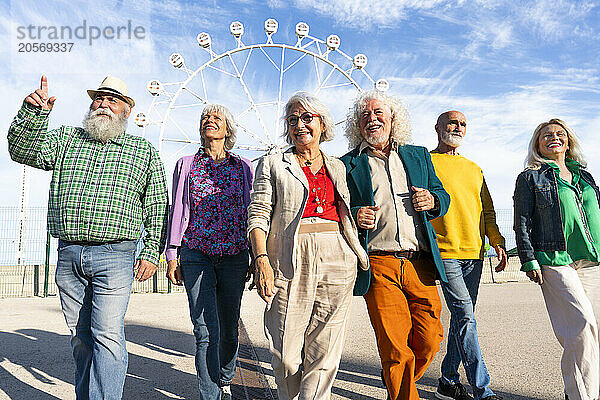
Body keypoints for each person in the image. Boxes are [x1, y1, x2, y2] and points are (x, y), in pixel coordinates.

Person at [8, 76, 169, 399]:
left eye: (112, 100)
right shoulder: (67, 138)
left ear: (126, 110)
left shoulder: (142, 151)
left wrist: (152, 251)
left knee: (107, 334)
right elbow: (23, 152)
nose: (103, 104)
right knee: (81, 338)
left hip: (116, 255)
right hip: (69, 255)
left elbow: (156, 205)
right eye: (98, 99)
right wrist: (32, 114)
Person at [248, 92, 368, 400]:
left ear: (322, 123)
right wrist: (261, 258)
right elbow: (259, 211)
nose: (300, 125)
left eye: (307, 118)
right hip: (289, 255)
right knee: (286, 351)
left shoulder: (338, 167)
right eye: (292, 120)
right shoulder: (273, 164)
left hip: (337, 252)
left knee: (324, 349)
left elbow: (344, 208)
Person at [340, 89, 450, 400]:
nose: (372, 120)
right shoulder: (348, 164)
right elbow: (339, 209)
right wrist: (355, 215)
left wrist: (432, 200)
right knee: (394, 345)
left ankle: (397, 384)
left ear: (393, 119)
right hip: (378, 262)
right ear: (357, 125)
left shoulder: (417, 155)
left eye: (378, 114)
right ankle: (402, 391)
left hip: (419, 262)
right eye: (365, 117)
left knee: (430, 337)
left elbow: (442, 196)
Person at [165, 104, 253, 400]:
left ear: (228, 130)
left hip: (234, 254)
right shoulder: (186, 164)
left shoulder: (243, 167)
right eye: (205, 118)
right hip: (196, 253)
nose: (209, 121)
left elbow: (252, 210)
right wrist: (172, 253)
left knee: (229, 328)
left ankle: (225, 377)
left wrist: (255, 253)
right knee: (204, 330)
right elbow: (177, 209)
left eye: (217, 118)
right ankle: (211, 394)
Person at [513, 118, 600, 400]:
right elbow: (522, 221)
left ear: (568, 141)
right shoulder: (530, 177)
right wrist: (529, 259)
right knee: (581, 325)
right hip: (555, 258)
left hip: (591, 259)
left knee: (593, 330)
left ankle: (587, 390)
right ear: (537, 144)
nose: (553, 138)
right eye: (546, 135)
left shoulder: (584, 176)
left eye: (559, 134)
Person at [429, 111, 507, 400]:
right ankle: (482, 390)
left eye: (462, 124)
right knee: (465, 317)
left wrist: (497, 241)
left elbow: (486, 210)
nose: (457, 127)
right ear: (438, 127)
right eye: (452, 122)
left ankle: (448, 381)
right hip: (444, 252)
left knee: (463, 319)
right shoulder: (426, 162)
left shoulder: (475, 168)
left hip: (474, 253)